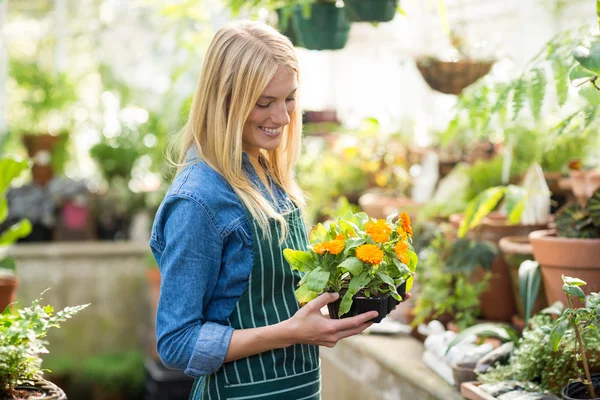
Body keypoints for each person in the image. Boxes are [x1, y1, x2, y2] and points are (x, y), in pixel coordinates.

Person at [150, 20, 408, 400]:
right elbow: (176, 343)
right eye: (264, 103)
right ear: (224, 99)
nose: (284, 118)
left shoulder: (264, 172)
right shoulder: (198, 201)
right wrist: (290, 332)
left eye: (289, 98)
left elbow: (277, 296)